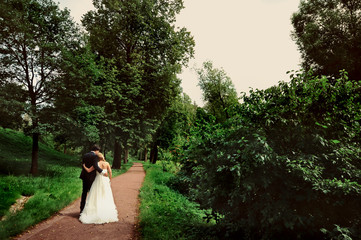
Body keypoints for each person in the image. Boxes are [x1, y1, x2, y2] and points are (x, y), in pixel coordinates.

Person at [79, 152, 118, 224]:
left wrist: (84, 166)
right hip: (105, 181)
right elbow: (110, 172)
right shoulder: (107, 163)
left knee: (97, 195)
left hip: (97, 181)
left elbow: (88, 170)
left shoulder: (96, 164)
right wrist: (110, 180)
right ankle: (106, 211)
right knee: (106, 196)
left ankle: (96, 210)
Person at [79, 144, 107, 213]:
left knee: (84, 192)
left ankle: (82, 209)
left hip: (84, 176)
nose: (98, 152)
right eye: (98, 151)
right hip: (91, 177)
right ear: (96, 150)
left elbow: (83, 164)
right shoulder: (95, 156)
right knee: (92, 193)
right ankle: (90, 209)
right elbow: (95, 166)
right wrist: (103, 172)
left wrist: (86, 169)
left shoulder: (85, 155)